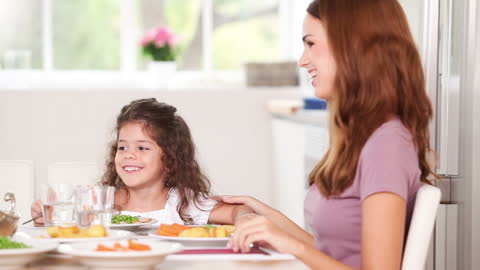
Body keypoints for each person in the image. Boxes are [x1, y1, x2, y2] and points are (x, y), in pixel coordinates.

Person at [219, 0, 438, 269]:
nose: (302, 60)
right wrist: (269, 218)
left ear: (353, 46)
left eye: (311, 44)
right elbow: (330, 253)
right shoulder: (365, 138)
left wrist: (292, 246)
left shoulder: (387, 145)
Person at [32, 98, 254, 226]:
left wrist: (244, 220)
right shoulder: (102, 201)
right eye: (122, 147)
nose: (129, 154)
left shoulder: (183, 203)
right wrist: (44, 217)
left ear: (169, 158)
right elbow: (63, 224)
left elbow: (239, 211)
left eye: (142, 148)